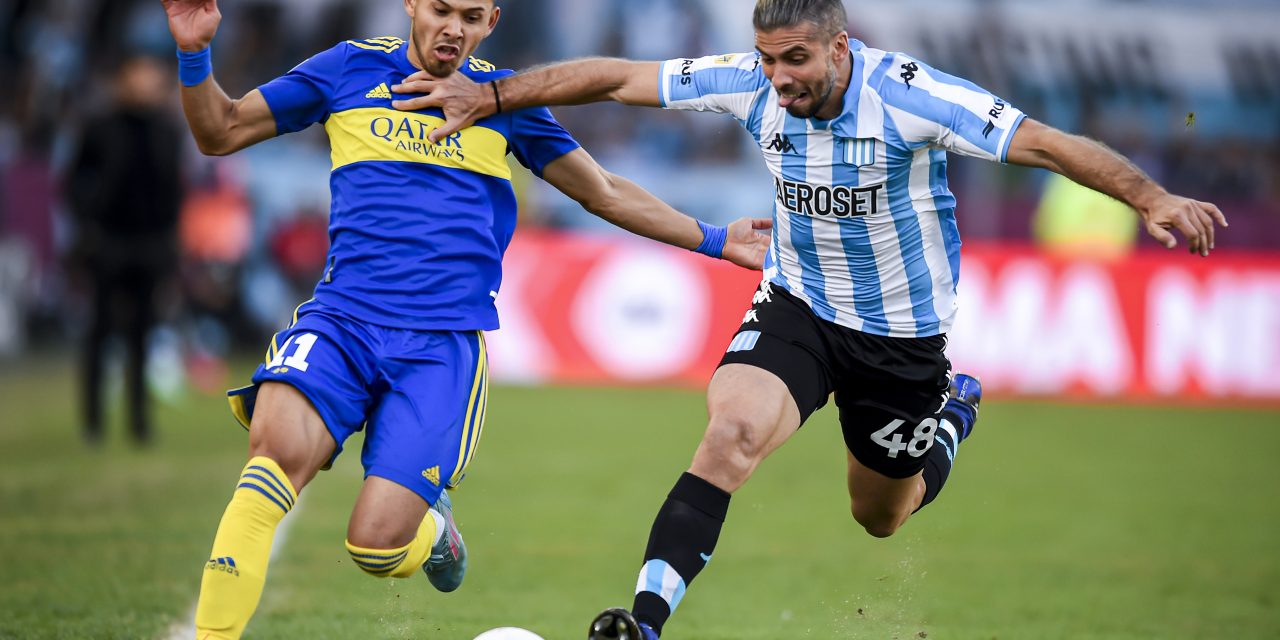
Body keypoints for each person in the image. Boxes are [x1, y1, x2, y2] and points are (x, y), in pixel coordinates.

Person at [391, 0, 1230, 637]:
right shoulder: (749, 81)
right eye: (767, 60)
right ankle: (644, 620)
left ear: (840, 47)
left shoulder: (913, 97)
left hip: (902, 341)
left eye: (795, 60)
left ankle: (951, 420)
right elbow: (616, 77)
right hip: (798, 305)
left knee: (880, 517)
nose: (779, 78)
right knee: (730, 437)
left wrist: (1149, 196)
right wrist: (492, 94)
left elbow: (1044, 143)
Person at [159, 1, 770, 638]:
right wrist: (195, 52)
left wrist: (714, 239)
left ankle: (435, 532)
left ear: (492, 22)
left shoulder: (504, 101)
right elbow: (219, 132)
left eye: (472, 15)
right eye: (442, 9)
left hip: (439, 348)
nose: (454, 27)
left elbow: (603, 191)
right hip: (342, 322)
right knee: (269, 462)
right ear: (414, 5)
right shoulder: (347, 69)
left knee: (375, 548)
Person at [66, 53, 185, 447]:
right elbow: (72, 182)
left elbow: (176, 189)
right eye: (137, 74)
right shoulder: (99, 126)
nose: (145, 82)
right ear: (122, 79)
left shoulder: (168, 130)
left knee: (142, 336)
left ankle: (139, 422)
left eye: (151, 75)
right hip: (108, 243)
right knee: (98, 333)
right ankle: (93, 424)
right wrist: (89, 228)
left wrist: (169, 238)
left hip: (150, 245)